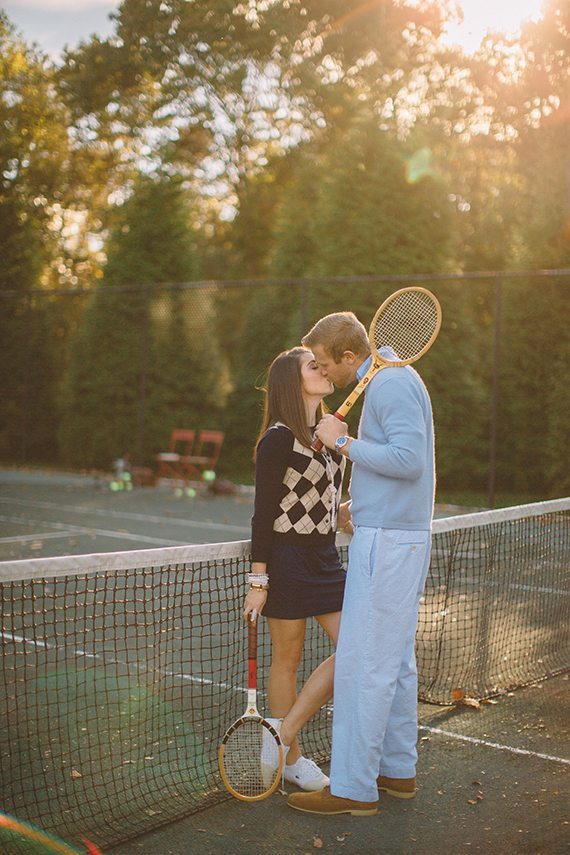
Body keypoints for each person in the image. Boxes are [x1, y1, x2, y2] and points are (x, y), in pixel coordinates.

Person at [285, 310, 435, 816]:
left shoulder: (389, 385)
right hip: (392, 531)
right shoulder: (391, 377)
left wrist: (342, 443)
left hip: (389, 543)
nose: (323, 375)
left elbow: (409, 460)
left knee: (363, 664)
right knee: (394, 663)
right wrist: (359, 504)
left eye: (327, 366)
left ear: (351, 357)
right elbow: (396, 463)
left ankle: (351, 789)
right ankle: (397, 772)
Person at [243, 346, 348, 792]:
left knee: (357, 648)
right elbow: (264, 512)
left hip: (326, 559)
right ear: (293, 380)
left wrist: (342, 512)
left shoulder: (331, 434)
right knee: (286, 658)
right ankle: (293, 759)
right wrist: (258, 580)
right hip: (285, 560)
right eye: (313, 366)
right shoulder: (278, 438)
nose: (323, 370)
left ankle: (280, 736)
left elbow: (323, 498)